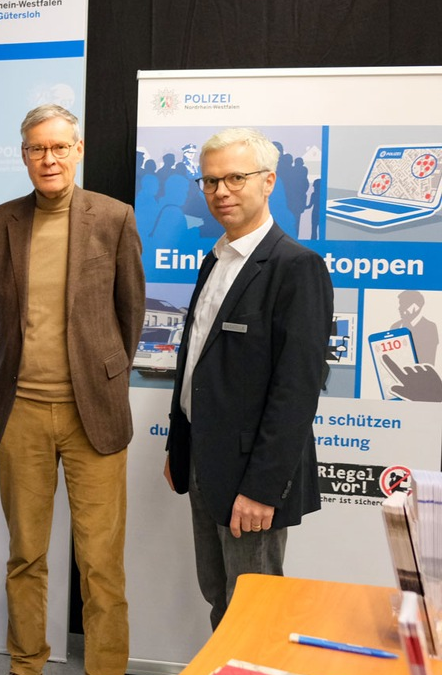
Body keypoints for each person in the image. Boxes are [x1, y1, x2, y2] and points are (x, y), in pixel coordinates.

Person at [0, 104, 145, 675]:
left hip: (92, 414)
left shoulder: (114, 216)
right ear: (24, 155)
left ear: (78, 151)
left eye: (58, 147)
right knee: (26, 555)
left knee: (100, 561)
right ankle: (27, 665)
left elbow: (131, 314)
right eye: (35, 149)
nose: (48, 158)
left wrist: (102, 378)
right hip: (21, 410)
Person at [163, 127, 333, 629]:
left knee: (253, 614)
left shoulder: (296, 267)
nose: (222, 192)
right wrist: (180, 448)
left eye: (236, 177)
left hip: (252, 480)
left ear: (269, 181)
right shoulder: (215, 259)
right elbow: (195, 364)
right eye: (211, 181)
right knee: (220, 598)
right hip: (202, 462)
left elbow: (297, 391)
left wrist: (263, 488)